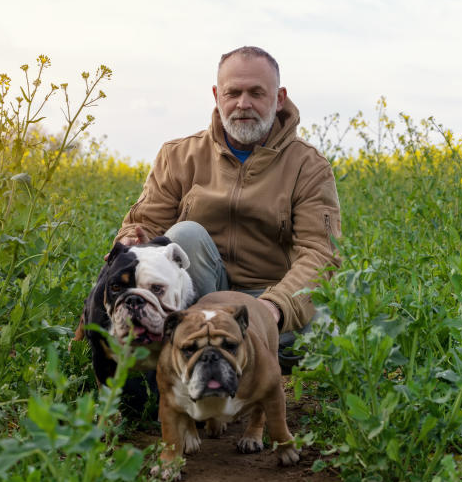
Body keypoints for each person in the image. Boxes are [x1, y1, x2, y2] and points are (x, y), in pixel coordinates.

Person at [115, 46, 341, 366]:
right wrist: (132, 241)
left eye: (256, 93)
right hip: (194, 300)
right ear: (216, 96)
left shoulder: (309, 166)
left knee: (325, 332)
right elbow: (146, 225)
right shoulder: (178, 155)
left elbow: (319, 254)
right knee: (185, 235)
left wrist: (272, 309)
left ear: (279, 98)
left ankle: (232, 349)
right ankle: (197, 341)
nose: (243, 104)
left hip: (269, 299)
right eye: (232, 92)